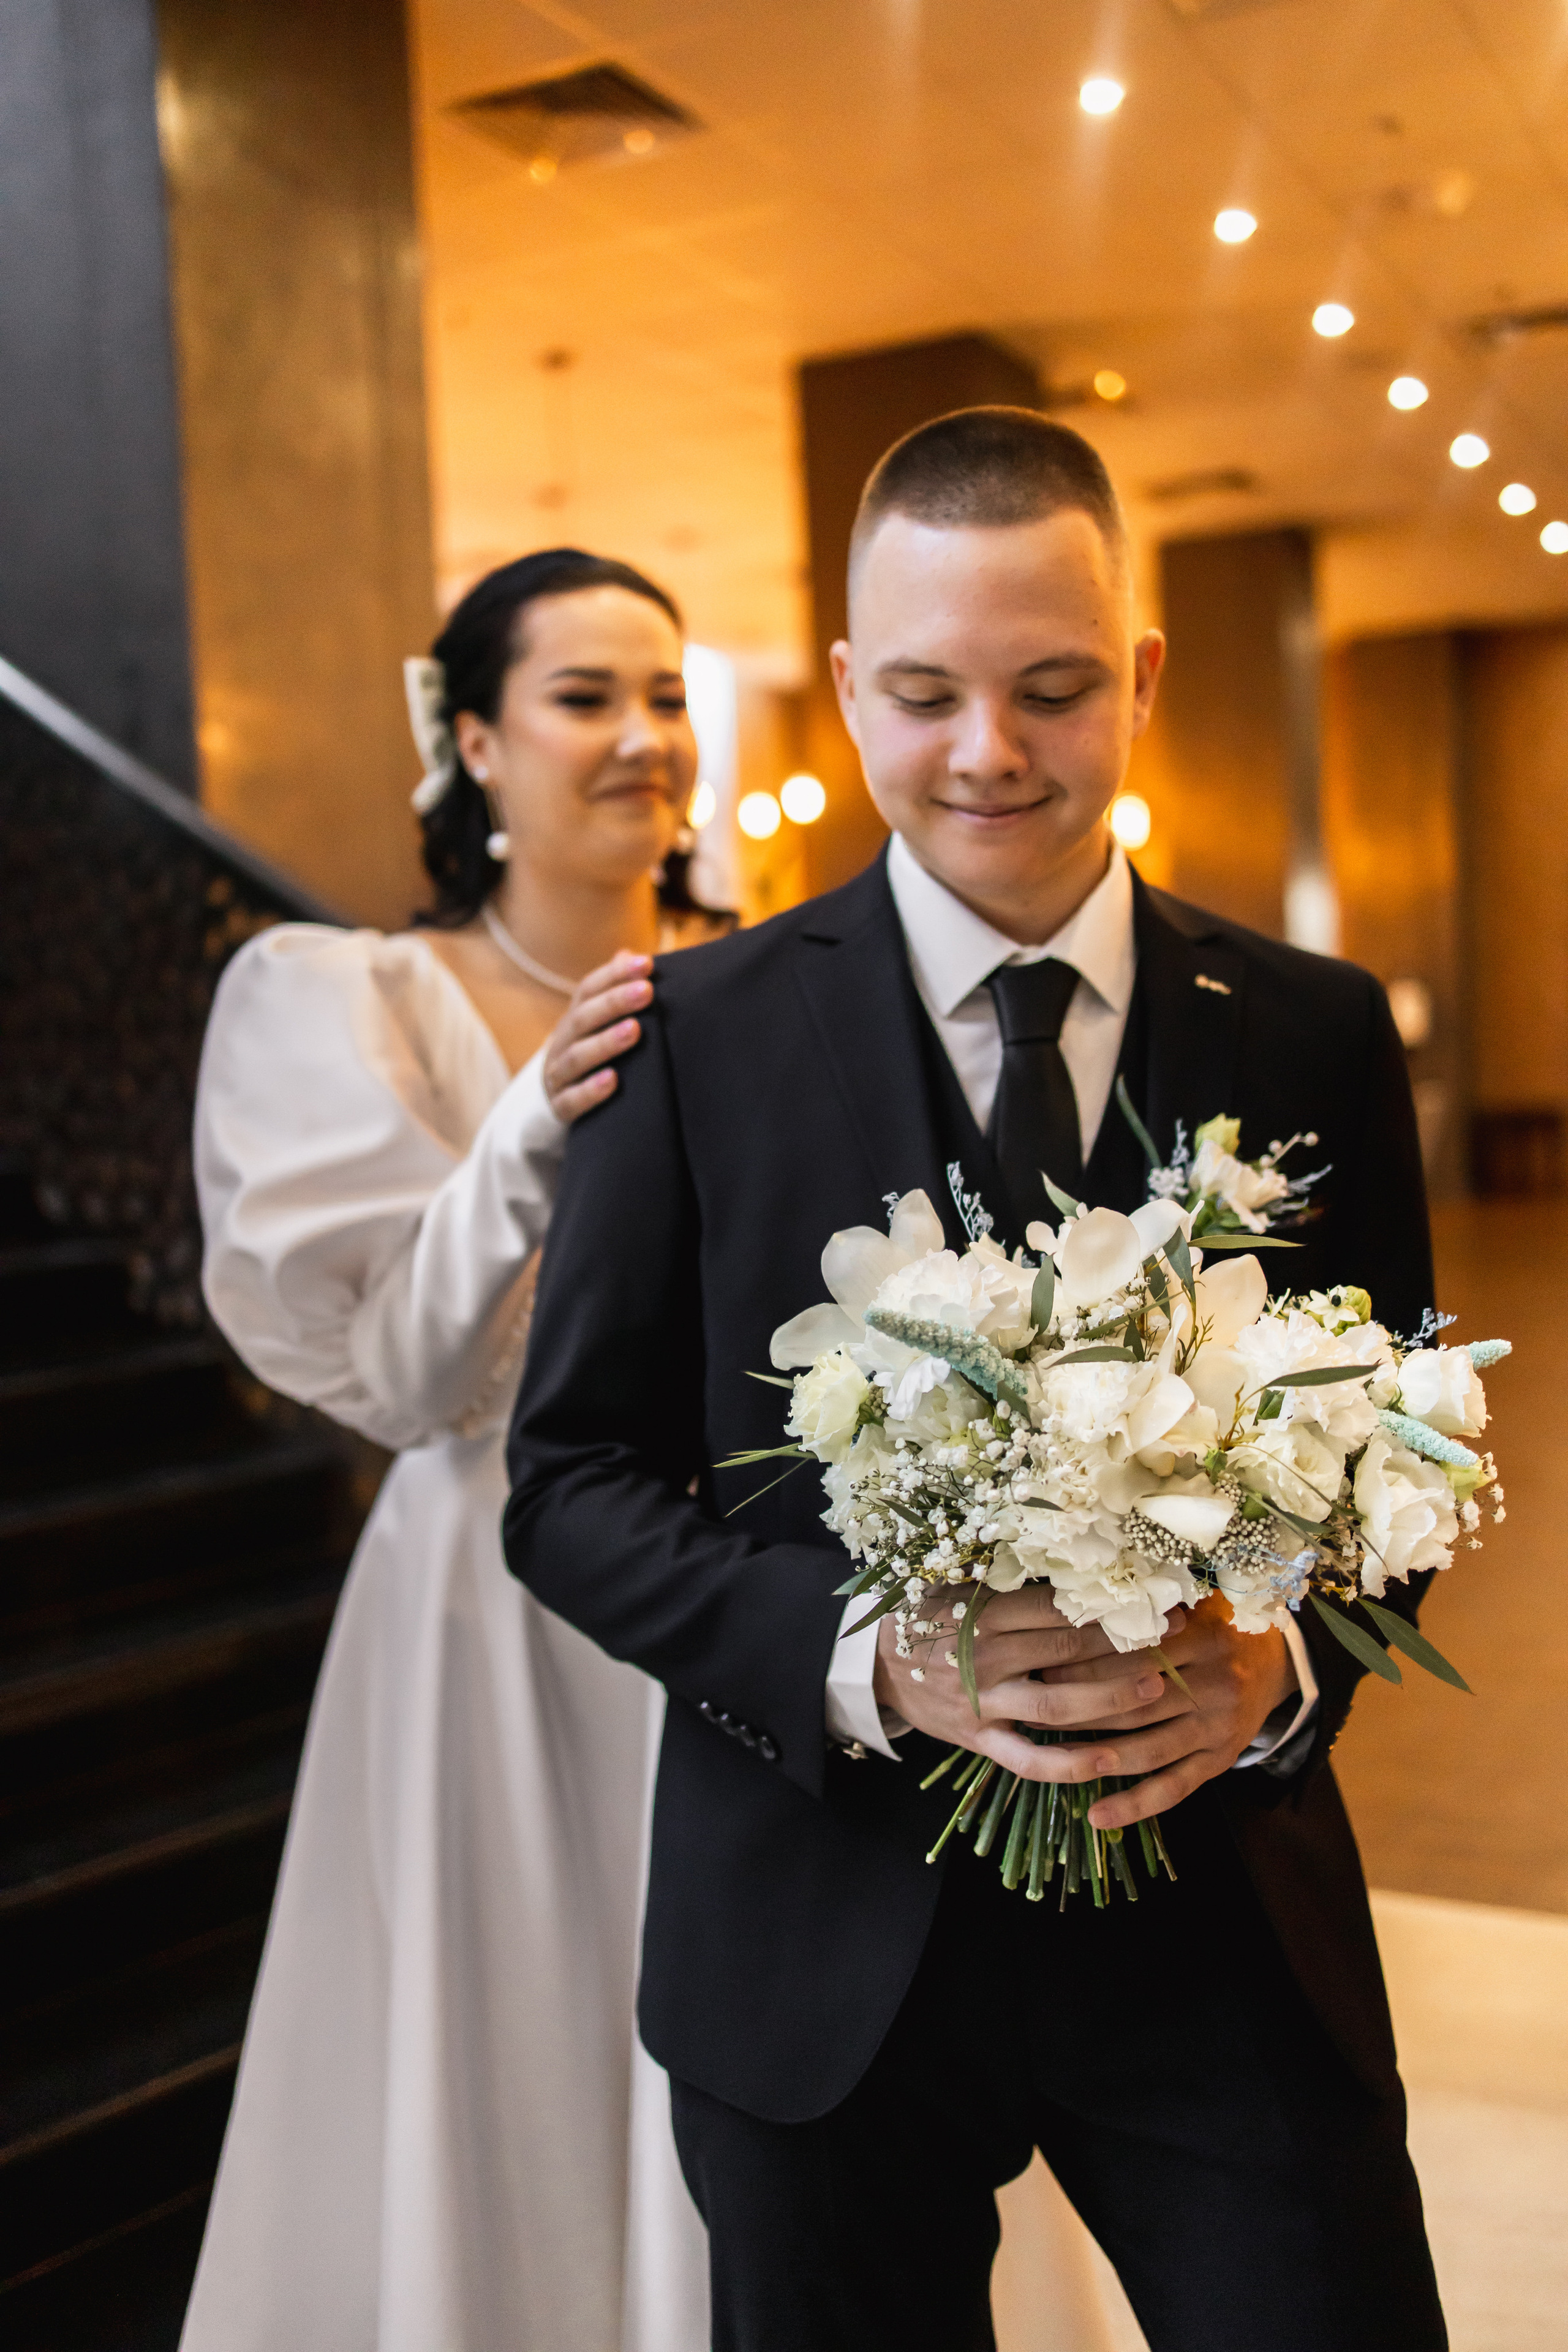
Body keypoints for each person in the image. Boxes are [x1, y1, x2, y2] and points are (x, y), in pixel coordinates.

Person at [503, 414, 1448, 2351]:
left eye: (1054, 689)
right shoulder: (686, 1038)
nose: (989, 753)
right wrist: (870, 1662)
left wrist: (1277, 1664)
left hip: (1225, 1946)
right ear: (851, 686)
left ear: (1145, 678)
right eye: (927, 695)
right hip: (818, 1951)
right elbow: (570, 1480)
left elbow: (1410, 1446)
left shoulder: (1315, 1027)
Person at [181, 550, 726, 2352]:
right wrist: (528, 1128)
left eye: (667, 697)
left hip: (740, 1607)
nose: (644, 737)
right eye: (586, 698)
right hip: (489, 1606)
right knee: (512, 2062)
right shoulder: (354, 999)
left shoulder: (769, 986)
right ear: (475, 741)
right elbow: (407, 1378)